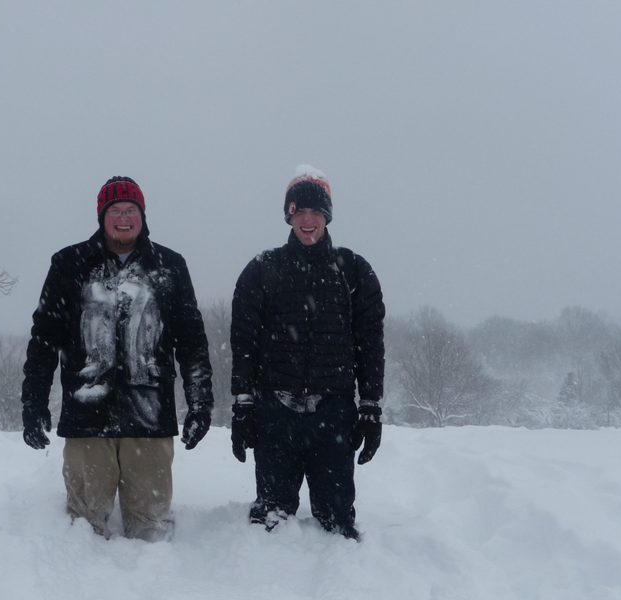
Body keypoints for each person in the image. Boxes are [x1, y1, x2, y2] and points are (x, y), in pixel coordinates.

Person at [20, 176, 214, 542]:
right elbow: (44, 339)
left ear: (142, 215)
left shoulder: (169, 265)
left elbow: (191, 341)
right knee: (83, 528)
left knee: (150, 529)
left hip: (150, 417)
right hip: (86, 416)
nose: (123, 217)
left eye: (130, 209)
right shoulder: (69, 264)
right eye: (115, 210)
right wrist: (34, 401)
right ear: (101, 216)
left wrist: (200, 402)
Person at [230, 165, 385, 541]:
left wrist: (370, 405)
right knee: (271, 522)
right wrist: (243, 404)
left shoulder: (353, 271)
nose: (308, 220)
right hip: (275, 414)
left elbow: (371, 343)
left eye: (316, 212)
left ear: (327, 216)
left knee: (335, 524)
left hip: (332, 415)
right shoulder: (262, 270)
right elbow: (243, 342)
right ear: (289, 215)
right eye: (300, 212)